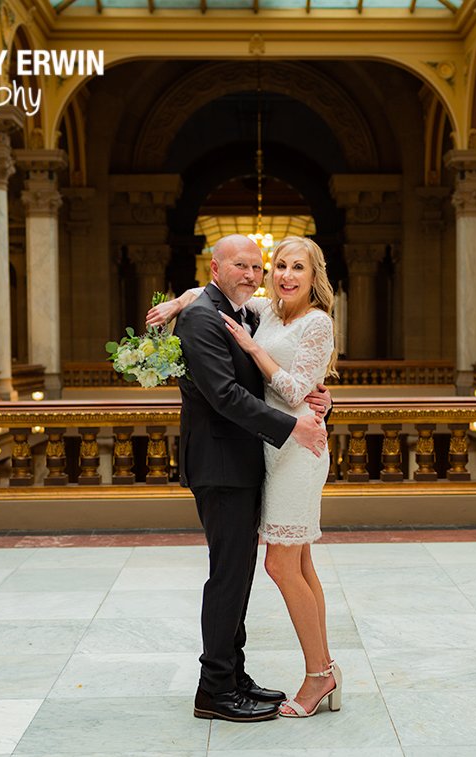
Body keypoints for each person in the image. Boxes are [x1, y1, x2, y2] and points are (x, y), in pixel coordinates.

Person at [148, 236, 341, 719]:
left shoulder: (295, 319)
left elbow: (298, 386)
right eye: (277, 265)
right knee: (257, 571)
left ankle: (298, 674)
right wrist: (176, 300)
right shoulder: (251, 311)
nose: (274, 274)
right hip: (243, 454)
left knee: (279, 568)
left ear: (314, 276)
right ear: (216, 267)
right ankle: (222, 685)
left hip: (285, 452)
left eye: (284, 266)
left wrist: (318, 402)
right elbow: (224, 387)